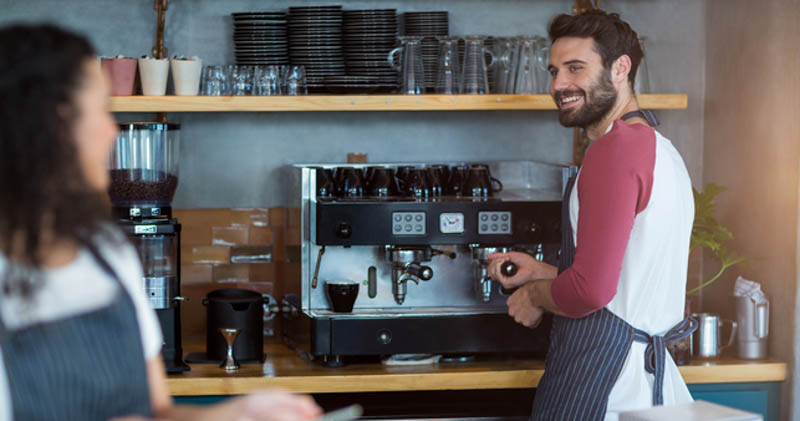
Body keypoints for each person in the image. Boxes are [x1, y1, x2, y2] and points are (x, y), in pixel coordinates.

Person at [0, 24, 322, 421]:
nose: (111, 133)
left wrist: (235, 414)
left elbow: (156, 411)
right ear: (43, 129)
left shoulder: (107, 252)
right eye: (97, 111)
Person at [487, 10, 696, 421]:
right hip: (644, 378)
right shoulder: (659, 148)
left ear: (621, 68)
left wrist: (533, 296)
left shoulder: (612, 152)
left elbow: (590, 293)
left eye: (575, 68)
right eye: (554, 71)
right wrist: (544, 273)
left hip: (604, 382)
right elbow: (627, 286)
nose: (558, 85)